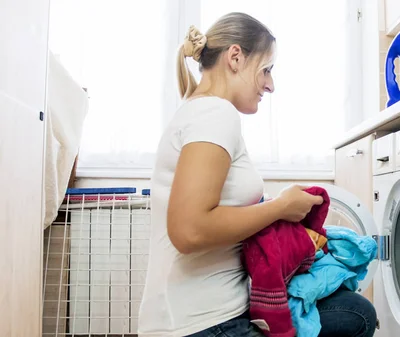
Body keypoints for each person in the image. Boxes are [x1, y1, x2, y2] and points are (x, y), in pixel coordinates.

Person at [138, 12, 377, 337]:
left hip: (203, 314)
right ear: (235, 57)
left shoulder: (201, 111)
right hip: (205, 323)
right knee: (358, 317)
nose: (271, 84)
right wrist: (279, 208)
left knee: (355, 311)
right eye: (266, 69)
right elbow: (189, 231)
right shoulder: (214, 114)